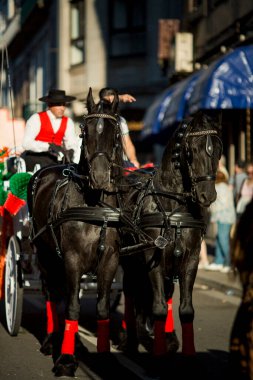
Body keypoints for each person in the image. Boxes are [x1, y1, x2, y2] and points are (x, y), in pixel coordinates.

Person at [22, 89, 80, 172]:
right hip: (36, 157)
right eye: (58, 105)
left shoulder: (68, 122)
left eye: (64, 104)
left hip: (56, 160)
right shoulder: (36, 118)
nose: (62, 108)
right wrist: (48, 146)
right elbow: (26, 143)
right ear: (49, 105)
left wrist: (71, 150)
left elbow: (71, 142)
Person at [99, 87, 140, 168]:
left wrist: (133, 159)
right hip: (99, 164)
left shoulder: (120, 120)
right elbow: (106, 99)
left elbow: (127, 143)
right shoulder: (96, 118)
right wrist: (121, 97)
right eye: (115, 101)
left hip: (118, 164)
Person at [205, 169, 236, 273]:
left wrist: (213, 216)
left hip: (224, 217)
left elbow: (220, 204)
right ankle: (219, 261)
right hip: (226, 217)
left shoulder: (219, 187)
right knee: (219, 238)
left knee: (223, 239)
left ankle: (230, 263)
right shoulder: (225, 187)